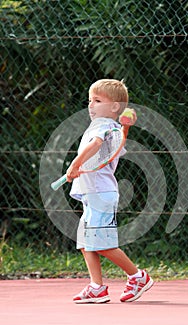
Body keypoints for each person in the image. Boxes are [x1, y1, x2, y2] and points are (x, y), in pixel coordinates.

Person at [66, 79, 153, 303]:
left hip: (100, 194)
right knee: (86, 243)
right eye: (89, 100)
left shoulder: (104, 125)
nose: (91, 105)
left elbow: (95, 145)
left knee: (102, 244)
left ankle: (137, 276)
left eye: (97, 100)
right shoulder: (111, 127)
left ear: (114, 107)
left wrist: (75, 164)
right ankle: (97, 287)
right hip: (91, 193)